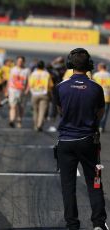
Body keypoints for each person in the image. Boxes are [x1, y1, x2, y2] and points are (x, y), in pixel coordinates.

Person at [54, 48, 108, 230]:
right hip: (88, 140)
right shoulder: (96, 88)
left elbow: (61, 111)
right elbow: (100, 113)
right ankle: (99, 224)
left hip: (66, 141)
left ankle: (72, 224)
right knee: (95, 183)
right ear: (89, 66)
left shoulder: (60, 87)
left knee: (68, 187)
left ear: (70, 65)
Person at [25, 60, 53, 131]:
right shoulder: (47, 74)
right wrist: (50, 94)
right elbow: (50, 85)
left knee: (35, 111)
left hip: (35, 94)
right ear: (43, 66)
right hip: (44, 94)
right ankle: (39, 125)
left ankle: (35, 125)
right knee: (42, 111)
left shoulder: (33, 74)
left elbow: (30, 84)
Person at [7, 56, 30, 128]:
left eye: (21, 61)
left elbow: (29, 81)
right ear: (16, 61)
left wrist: (27, 90)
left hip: (22, 91)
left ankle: (19, 120)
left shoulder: (27, 70)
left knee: (21, 107)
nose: (19, 63)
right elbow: (9, 80)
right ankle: (11, 120)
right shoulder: (12, 69)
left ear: (24, 62)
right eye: (18, 61)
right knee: (12, 106)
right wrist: (7, 90)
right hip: (12, 90)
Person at [92, 63, 110, 133]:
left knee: (95, 112)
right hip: (107, 97)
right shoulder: (109, 75)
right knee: (104, 113)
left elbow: (92, 85)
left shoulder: (96, 75)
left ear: (100, 67)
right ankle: (101, 127)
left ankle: (95, 126)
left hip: (96, 96)